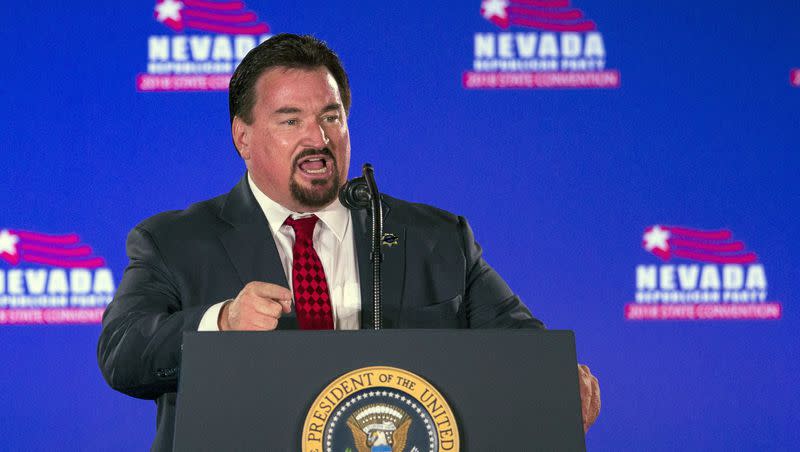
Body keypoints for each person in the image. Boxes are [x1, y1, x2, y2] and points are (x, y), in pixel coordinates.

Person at [97, 33, 600, 451]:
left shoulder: (437, 238)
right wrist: (221, 322)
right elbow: (121, 353)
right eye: (290, 120)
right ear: (243, 138)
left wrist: (557, 377)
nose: (317, 138)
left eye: (331, 117)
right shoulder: (172, 241)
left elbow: (519, 343)